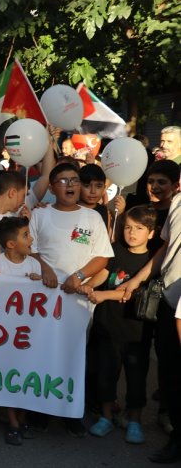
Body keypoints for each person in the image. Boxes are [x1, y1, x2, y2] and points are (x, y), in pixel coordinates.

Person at [28, 162, 114, 436]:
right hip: (43, 300)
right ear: (52, 188)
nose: (71, 185)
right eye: (63, 181)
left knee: (74, 357)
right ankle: (39, 410)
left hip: (77, 303)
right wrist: (45, 269)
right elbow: (27, 249)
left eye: (74, 180)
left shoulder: (93, 219)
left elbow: (102, 256)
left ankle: (69, 412)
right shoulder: (40, 216)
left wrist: (78, 275)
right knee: (41, 353)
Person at [77, 206, 155, 445]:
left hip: (135, 331)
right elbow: (103, 273)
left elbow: (133, 292)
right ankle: (106, 416)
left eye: (139, 229)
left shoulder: (151, 262)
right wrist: (89, 285)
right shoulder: (116, 250)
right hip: (107, 325)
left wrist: (104, 295)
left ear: (151, 233)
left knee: (136, 377)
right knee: (106, 374)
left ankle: (134, 421)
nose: (132, 233)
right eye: (128, 227)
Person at [119, 191, 181, 463]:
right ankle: (177, 438)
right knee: (170, 372)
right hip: (171, 300)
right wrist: (137, 279)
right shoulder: (178, 201)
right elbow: (167, 248)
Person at [0, 216, 42, 445]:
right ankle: (13, 422)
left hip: (27, 332)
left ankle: (22, 415)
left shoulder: (34, 265)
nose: (31, 239)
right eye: (26, 235)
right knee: (8, 373)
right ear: (10, 244)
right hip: (3, 332)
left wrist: (39, 281)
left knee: (26, 372)